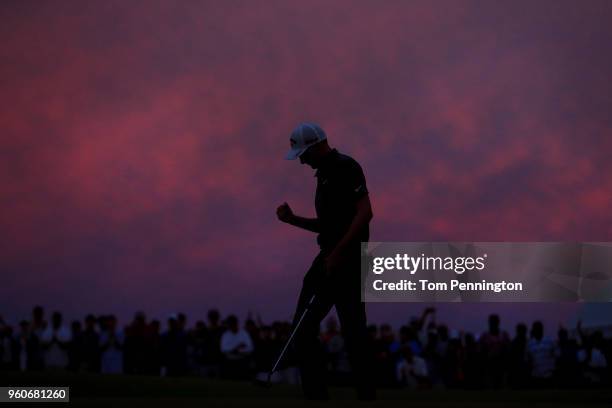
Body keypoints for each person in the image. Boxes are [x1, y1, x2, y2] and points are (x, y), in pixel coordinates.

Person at [277, 122, 376, 400]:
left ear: (318, 145)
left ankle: (366, 396)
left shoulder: (347, 167)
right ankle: (316, 394)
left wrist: (339, 252)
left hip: (350, 260)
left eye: (304, 154)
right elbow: (329, 225)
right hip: (330, 256)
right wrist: (293, 220)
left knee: (354, 331)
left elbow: (365, 213)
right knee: (304, 326)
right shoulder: (321, 176)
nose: (302, 161)